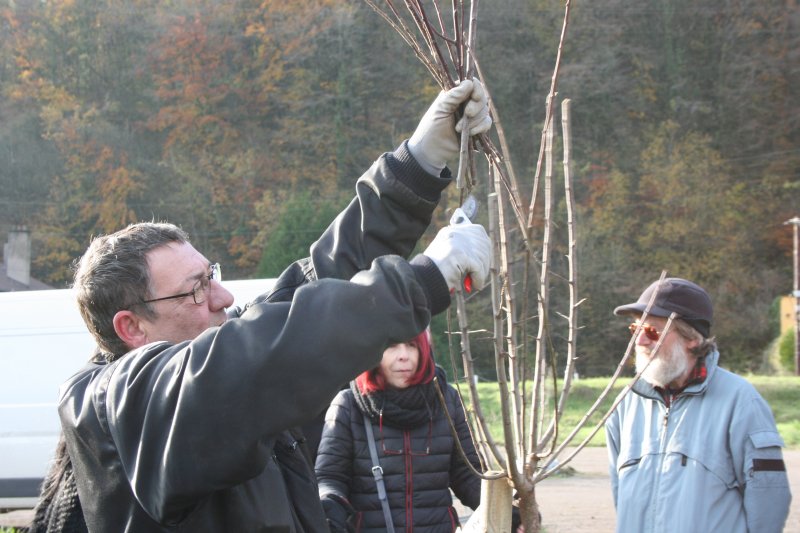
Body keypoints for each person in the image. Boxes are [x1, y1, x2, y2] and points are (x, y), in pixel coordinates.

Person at [30, 79, 494, 532]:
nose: (223, 298)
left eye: (211, 276)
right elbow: (263, 358)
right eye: (195, 290)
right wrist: (419, 281)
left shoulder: (205, 368)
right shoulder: (121, 402)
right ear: (131, 327)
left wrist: (416, 166)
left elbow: (318, 280)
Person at [605, 277, 792, 533]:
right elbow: (621, 496)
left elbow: (769, 501)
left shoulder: (741, 402)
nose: (640, 342)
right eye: (636, 330)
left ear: (692, 338)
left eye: (652, 331)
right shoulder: (625, 404)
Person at [315, 330, 522, 533]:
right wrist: (330, 507)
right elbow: (329, 477)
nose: (403, 355)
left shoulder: (446, 399)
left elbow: (467, 475)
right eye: (392, 346)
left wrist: (510, 513)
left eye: (412, 345)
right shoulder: (348, 405)